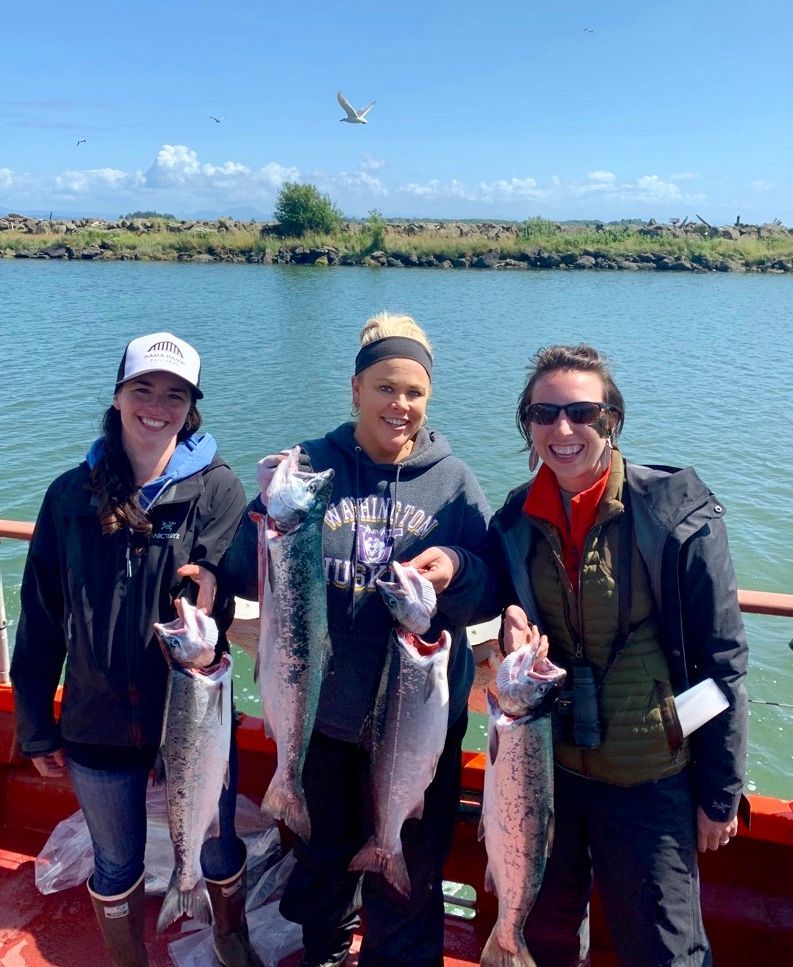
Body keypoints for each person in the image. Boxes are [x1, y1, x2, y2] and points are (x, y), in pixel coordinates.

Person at [413, 343, 749, 966]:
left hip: (651, 779)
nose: (562, 429)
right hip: (548, 773)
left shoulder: (676, 512)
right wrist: (455, 569)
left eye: (582, 412)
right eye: (544, 413)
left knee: (664, 950)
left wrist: (720, 793)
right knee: (545, 937)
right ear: (527, 423)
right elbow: (487, 586)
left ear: (611, 419)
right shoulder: (516, 518)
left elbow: (724, 659)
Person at [224, 312, 492, 967]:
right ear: (354, 389)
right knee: (322, 864)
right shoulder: (310, 468)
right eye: (384, 387)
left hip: (420, 726)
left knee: (409, 872)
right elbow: (239, 568)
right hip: (326, 722)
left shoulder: (452, 481)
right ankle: (326, 950)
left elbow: (491, 584)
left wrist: (456, 566)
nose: (399, 404)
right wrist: (254, 533)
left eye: (413, 392)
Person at [10, 332, 262, 967]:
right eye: (142, 389)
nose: (158, 405)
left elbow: (239, 572)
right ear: (118, 396)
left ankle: (229, 939)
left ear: (192, 407)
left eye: (175, 395)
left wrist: (214, 574)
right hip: (96, 717)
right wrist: (37, 725)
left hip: (195, 712)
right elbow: (41, 620)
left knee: (215, 843)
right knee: (115, 858)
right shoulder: (70, 495)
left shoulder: (219, 491)